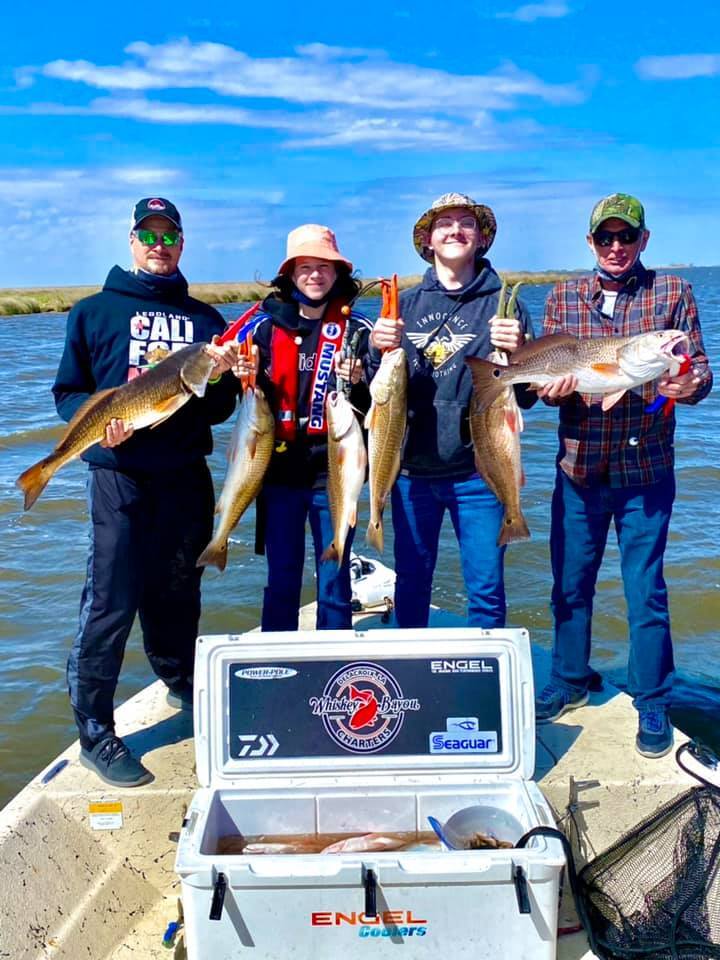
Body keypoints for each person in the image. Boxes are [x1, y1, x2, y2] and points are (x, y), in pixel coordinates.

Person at [53, 197, 238, 787]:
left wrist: (227, 377)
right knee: (111, 600)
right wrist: (93, 426)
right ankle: (95, 733)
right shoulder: (92, 312)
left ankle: (182, 682)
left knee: (180, 592)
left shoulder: (207, 321)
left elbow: (219, 408)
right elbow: (67, 392)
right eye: (149, 236)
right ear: (132, 241)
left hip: (185, 474)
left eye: (169, 236)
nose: (160, 246)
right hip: (119, 477)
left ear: (182, 243)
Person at [534, 193, 713, 759]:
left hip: (647, 470)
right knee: (569, 583)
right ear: (591, 242)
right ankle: (568, 678)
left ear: (644, 240)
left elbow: (699, 370)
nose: (616, 247)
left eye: (627, 236)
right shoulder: (562, 297)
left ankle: (653, 697)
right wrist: (548, 389)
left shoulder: (672, 292)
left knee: (646, 590)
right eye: (606, 237)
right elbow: (549, 383)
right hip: (579, 467)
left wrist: (689, 384)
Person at [369, 192, 535, 628]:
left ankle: (485, 667)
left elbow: (529, 394)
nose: (455, 230)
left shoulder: (504, 305)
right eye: (444, 223)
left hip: (479, 473)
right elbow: (377, 390)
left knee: (486, 588)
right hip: (411, 474)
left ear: (481, 238)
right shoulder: (405, 305)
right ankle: (410, 663)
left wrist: (519, 351)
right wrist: (372, 348)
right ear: (428, 239)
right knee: (410, 583)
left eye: (466, 223)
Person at [233, 224, 372, 631]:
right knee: (281, 578)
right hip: (278, 473)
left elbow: (378, 408)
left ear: (338, 273)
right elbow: (242, 401)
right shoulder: (261, 330)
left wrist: (361, 380)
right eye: (305, 267)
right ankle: (277, 658)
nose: (315, 275)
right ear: (290, 275)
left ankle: (336, 657)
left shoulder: (359, 330)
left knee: (334, 577)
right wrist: (237, 375)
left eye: (324, 267)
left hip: (335, 470)